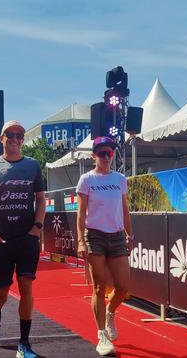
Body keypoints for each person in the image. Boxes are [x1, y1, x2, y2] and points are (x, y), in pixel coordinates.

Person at [0, 120, 46, 358]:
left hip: (27, 237)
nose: (16, 139)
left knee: (26, 285)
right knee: (2, 291)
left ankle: (24, 344)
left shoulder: (33, 165)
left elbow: (41, 200)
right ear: (1, 137)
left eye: (20, 135)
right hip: (0, 239)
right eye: (11, 134)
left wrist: (37, 228)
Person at [76, 136, 133, 356]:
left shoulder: (120, 179)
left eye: (110, 153)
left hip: (117, 236)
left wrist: (130, 234)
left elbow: (125, 210)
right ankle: (101, 335)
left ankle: (110, 312)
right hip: (95, 236)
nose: (107, 157)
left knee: (123, 287)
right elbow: (81, 215)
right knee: (99, 288)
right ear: (94, 156)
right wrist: (81, 240)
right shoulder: (86, 179)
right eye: (102, 154)